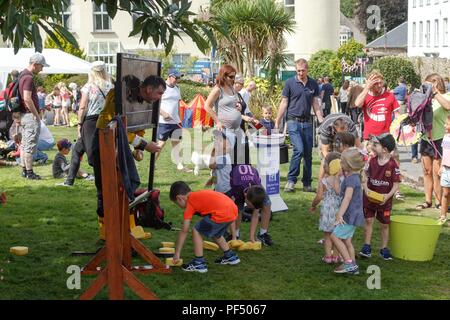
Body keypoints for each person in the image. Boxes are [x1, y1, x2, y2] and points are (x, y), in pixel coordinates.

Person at [94, 75, 164, 231]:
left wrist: (138, 148)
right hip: (103, 140)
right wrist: (144, 145)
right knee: (105, 186)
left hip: (120, 143)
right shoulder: (118, 96)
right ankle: (107, 232)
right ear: (148, 89)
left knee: (124, 186)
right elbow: (114, 125)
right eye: (159, 93)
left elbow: (138, 124)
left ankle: (125, 228)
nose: (160, 97)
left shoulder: (143, 100)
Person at [61, 61, 114, 187]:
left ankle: (102, 182)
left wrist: (79, 123)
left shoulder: (88, 86)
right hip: (106, 120)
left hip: (90, 122)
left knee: (92, 155)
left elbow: (83, 106)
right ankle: (69, 181)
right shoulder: (111, 86)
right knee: (77, 150)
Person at [275, 58, 324, 193]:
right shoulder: (290, 82)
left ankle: (307, 183)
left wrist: (321, 120)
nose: (300, 73)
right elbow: (284, 103)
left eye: (302, 70)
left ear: (307, 70)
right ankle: (291, 180)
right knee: (299, 150)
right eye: (298, 71)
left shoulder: (313, 84)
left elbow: (315, 104)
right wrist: (277, 121)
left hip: (308, 122)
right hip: (293, 121)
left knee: (308, 153)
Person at [170, 181, 240, 273]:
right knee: (216, 234)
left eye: (177, 203)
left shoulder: (190, 202)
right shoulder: (197, 195)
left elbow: (184, 230)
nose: (179, 206)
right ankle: (230, 256)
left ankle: (199, 263)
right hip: (232, 210)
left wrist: (177, 252)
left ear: (179, 198)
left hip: (222, 213)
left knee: (197, 230)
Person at [360, 133, 400, 261]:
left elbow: (396, 184)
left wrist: (387, 196)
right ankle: (366, 247)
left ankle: (384, 249)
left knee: (384, 225)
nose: (372, 146)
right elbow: (364, 176)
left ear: (385, 149)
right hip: (369, 199)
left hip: (385, 201)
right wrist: (365, 189)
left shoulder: (393, 165)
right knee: (368, 221)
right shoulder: (371, 161)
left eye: (376, 144)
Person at [416, 74, 450, 210]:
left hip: (440, 139)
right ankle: (427, 200)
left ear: (435, 83)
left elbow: (447, 106)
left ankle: (439, 202)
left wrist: (434, 92)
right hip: (426, 138)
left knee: (437, 172)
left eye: (427, 84)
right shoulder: (427, 98)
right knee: (426, 171)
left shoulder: (446, 96)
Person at [331, 147, 365, 274]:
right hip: (354, 214)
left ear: (349, 165)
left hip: (350, 215)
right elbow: (340, 192)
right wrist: (337, 178)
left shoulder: (351, 179)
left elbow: (347, 197)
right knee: (347, 240)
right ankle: (353, 265)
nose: (340, 163)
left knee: (335, 236)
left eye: (342, 162)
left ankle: (348, 263)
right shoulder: (353, 176)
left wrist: (340, 213)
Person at [18, 52, 49, 180]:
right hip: (30, 116)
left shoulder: (22, 75)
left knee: (24, 145)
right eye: (41, 66)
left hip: (23, 115)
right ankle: (30, 172)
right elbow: (27, 98)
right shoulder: (29, 78)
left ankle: (25, 170)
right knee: (29, 146)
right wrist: (37, 115)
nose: (42, 69)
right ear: (35, 64)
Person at [205, 65, 243, 164]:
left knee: (228, 160)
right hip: (224, 129)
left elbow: (235, 103)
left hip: (235, 130)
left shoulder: (232, 88)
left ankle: (219, 177)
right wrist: (217, 121)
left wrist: (240, 106)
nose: (233, 79)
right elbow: (207, 106)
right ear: (223, 76)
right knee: (220, 160)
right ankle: (215, 176)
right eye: (231, 77)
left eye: (234, 77)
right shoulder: (218, 90)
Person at [229, 164, 274, 246]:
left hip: (253, 180)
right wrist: (234, 238)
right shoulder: (236, 188)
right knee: (237, 210)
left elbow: (255, 213)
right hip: (237, 181)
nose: (249, 208)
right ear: (246, 197)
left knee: (267, 203)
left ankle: (262, 234)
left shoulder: (257, 189)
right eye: (250, 206)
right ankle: (236, 234)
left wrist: (251, 238)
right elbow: (232, 214)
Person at [310, 152, 342, 264]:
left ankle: (328, 257)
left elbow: (318, 197)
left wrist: (313, 205)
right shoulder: (342, 180)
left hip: (327, 211)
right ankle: (336, 257)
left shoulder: (323, 181)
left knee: (327, 235)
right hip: (339, 211)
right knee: (338, 235)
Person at [156, 71, 190, 172]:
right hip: (164, 122)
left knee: (176, 144)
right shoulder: (161, 87)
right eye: (176, 77)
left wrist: (180, 120)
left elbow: (178, 105)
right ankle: (153, 165)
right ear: (170, 76)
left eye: (179, 78)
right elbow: (155, 104)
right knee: (160, 145)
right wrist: (163, 113)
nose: (178, 80)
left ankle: (180, 166)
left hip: (175, 122)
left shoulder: (177, 88)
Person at [355, 70, 400, 142]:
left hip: (386, 137)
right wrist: (367, 88)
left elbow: (397, 114)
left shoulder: (390, 95)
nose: (379, 85)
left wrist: (399, 127)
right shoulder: (365, 95)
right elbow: (357, 104)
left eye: (381, 82)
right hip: (369, 138)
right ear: (370, 84)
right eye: (376, 83)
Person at [439, 115, 450, 222]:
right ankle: (443, 215)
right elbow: (444, 153)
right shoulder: (445, 137)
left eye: (447, 124)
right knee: (445, 193)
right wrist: (442, 166)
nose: (444, 125)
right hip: (446, 169)